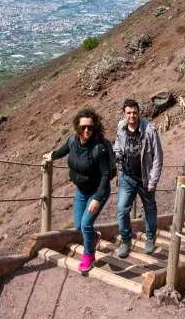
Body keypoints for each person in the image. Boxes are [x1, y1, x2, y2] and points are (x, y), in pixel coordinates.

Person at [46, 109, 112, 272]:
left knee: (86, 224)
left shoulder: (99, 147)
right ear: (77, 127)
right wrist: (51, 156)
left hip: (98, 192)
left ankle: (89, 255)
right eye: (83, 127)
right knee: (78, 225)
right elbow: (63, 150)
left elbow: (106, 173)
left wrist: (97, 198)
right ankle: (95, 237)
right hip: (81, 191)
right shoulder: (73, 141)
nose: (86, 131)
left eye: (90, 127)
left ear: (95, 127)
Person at [113, 98, 164, 258]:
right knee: (121, 210)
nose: (132, 116)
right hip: (126, 177)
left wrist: (153, 180)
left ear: (138, 113)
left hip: (145, 178)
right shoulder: (121, 127)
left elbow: (158, 156)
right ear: (124, 114)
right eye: (128, 113)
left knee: (149, 209)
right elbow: (117, 144)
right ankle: (126, 241)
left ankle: (150, 239)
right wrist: (117, 154)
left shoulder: (149, 130)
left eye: (134, 112)